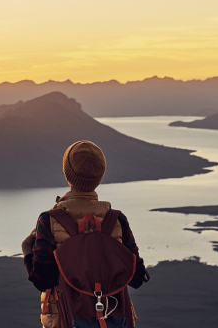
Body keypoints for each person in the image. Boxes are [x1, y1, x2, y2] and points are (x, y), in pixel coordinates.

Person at [22, 140, 149, 328]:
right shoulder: (117, 220)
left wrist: (26, 250)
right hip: (115, 320)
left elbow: (42, 280)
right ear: (100, 176)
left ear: (68, 174)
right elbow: (137, 278)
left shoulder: (50, 220)